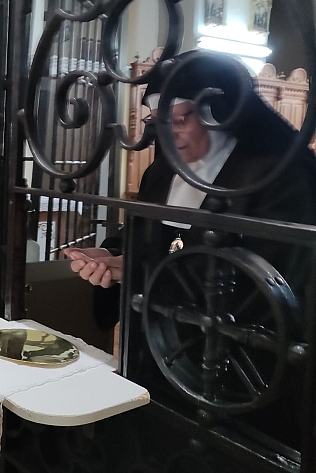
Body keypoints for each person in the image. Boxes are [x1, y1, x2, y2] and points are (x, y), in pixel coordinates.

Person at [65, 50, 316, 312]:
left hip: (233, 343)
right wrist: (113, 257)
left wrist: (142, 275)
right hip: (157, 332)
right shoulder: (161, 172)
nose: (166, 136)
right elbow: (138, 237)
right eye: (157, 122)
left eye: (177, 120)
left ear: (219, 113)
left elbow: (269, 287)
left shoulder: (282, 180)